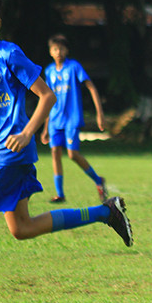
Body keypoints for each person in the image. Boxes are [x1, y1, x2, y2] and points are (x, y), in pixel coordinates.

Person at [0, 0, 132, 303]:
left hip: (10, 155)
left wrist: (27, 132)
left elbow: (46, 96)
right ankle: (105, 212)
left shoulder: (9, 54)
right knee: (21, 228)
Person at [40, 34, 108, 203]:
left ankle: (98, 180)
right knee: (55, 152)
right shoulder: (49, 71)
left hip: (71, 118)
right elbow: (48, 99)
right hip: (54, 120)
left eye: (62, 49)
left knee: (72, 154)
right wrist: (45, 127)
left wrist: (99, 113)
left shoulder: (74, 67)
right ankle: (60, 194)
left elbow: (91, 87)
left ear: (67, 50)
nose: (59, 52)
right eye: (55, 49)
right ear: (50, 52)